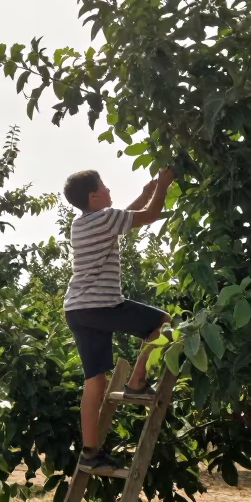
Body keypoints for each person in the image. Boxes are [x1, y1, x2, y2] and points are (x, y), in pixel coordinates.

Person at [62, 167, 174, 470]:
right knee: (162, 322)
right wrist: (162, 187)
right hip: (102, 306)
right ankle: (138, 380)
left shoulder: (82, 222)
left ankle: (90, 452)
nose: (109, 190)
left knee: (94, 382)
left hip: (77, 309)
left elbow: (123, 217)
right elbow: (147, 216)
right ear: (94, 196)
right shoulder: (107, 217)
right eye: (105, 186)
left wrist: (144, 193)